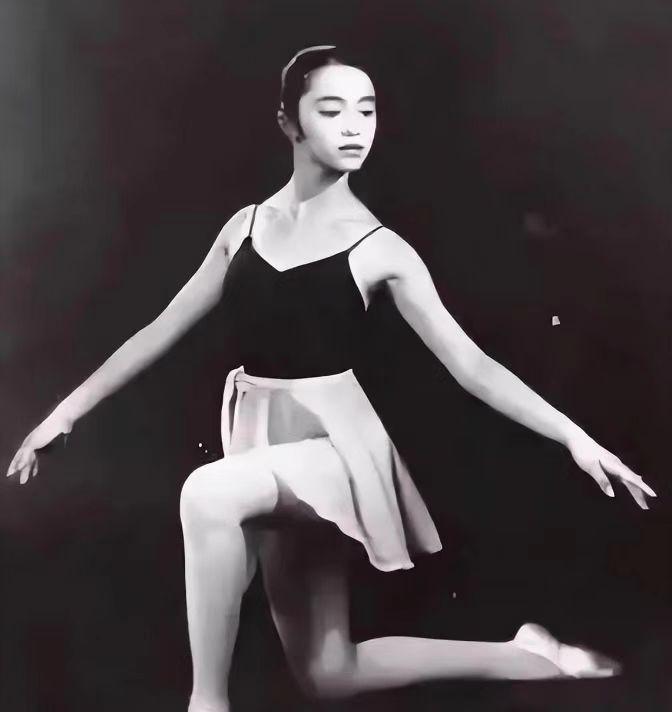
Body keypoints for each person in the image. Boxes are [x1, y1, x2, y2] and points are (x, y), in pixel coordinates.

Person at [6, 45, 657, 712]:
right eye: (332, 109)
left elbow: (471, 365)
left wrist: (575, 437)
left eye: (366, 111)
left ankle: (207, 704)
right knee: (328, 673)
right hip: (260, 437)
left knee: (207, 493)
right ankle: (525, 656)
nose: (354, 127)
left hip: (334, 448)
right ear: (289, 122)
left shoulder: (380, 248)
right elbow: (159, 330)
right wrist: (64, 412)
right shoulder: (244, 228)